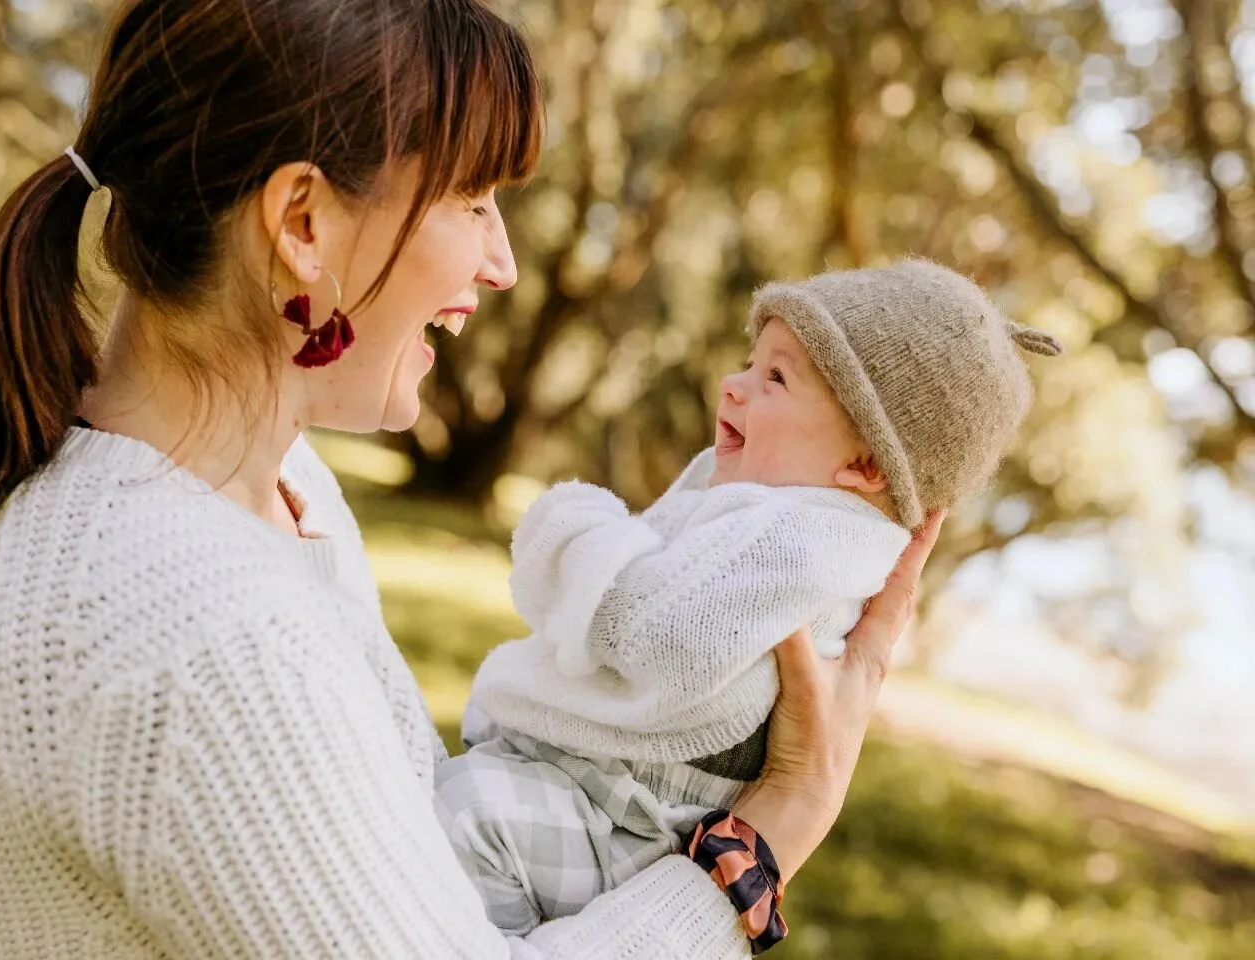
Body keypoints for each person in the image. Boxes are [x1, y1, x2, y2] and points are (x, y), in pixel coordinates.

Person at [0, 0, 944, 956]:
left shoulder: (270, 492)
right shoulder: (202, 634)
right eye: (471, 200)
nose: (503, 265)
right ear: (303, 224)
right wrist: (769, 832)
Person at [436, 261, 1062, 936]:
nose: (732, 387)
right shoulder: (785, 510)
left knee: (462, 824)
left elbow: (657, 631)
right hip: (607, 804)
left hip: (620, 826)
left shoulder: (803, 539)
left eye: (776, 378)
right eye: (748, 362)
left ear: (865, 465)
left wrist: (568, 526)